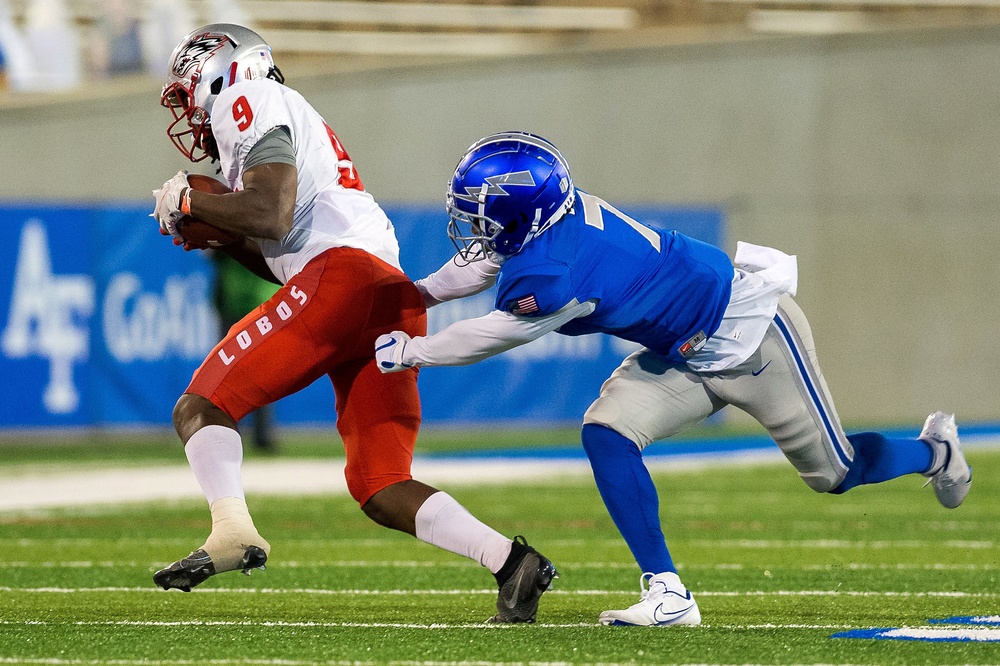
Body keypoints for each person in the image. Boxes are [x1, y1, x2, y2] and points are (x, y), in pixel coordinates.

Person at [374, 131, 973, 627]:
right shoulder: (549, 225)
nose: (472, 226)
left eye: (481, 214)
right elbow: (481, 264)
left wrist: (413, 351)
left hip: (750, 335)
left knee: (837, 473)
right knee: (606, 432)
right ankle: (668, 593)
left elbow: (495, 334)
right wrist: (416, 293)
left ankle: (933, 452)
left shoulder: (555, 268)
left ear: (520, 213)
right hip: (682, 352)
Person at [150, 26, 556, 623]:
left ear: (222, 75)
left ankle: (232, 530)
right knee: (381, 484)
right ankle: (512, 563)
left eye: (189, 95)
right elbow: (278, 250)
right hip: (380, 295)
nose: (191, 116)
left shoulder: (254, 99)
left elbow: (270, 211)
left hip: (344, 280)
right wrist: (215, 230)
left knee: (201, 406)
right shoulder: (277, 131)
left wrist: (192, 202)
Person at [211, 251, 279, 451]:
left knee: (254, 374)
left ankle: (251, 435)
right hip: (244, 299)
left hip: (255, 301)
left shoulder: (248, 224)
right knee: (229, 375)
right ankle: (233, 434)